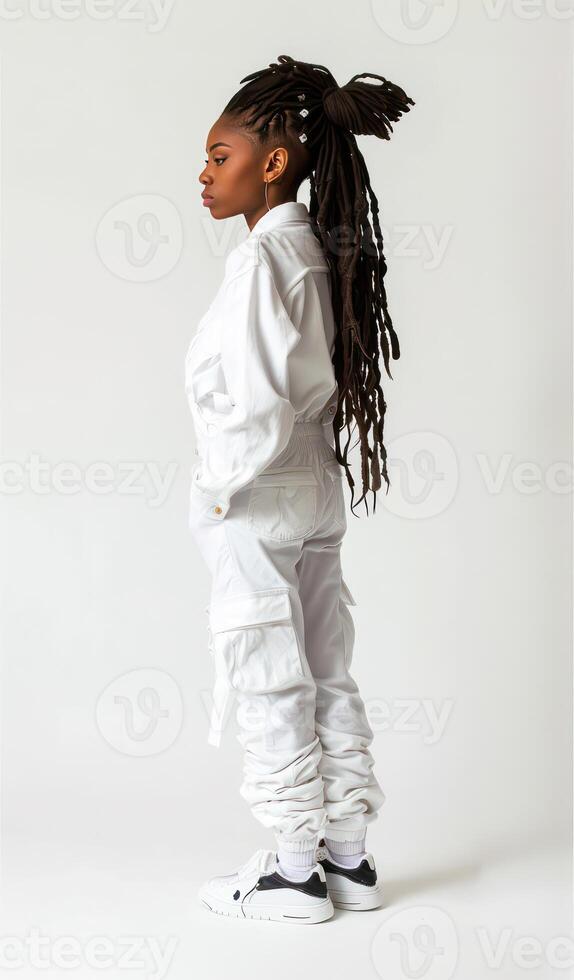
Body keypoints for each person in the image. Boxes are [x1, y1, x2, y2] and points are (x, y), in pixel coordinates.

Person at [185, 54, 414, 924]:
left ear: (272, 162)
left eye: (219, 155)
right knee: (326, 666)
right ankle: (347, 857)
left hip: (262, 493)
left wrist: (216, 495)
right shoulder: (313, 248)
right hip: (315, 486)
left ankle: (291, 871)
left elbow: (251, 400)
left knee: (268, 672)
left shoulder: (258, 262)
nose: (204, 174)